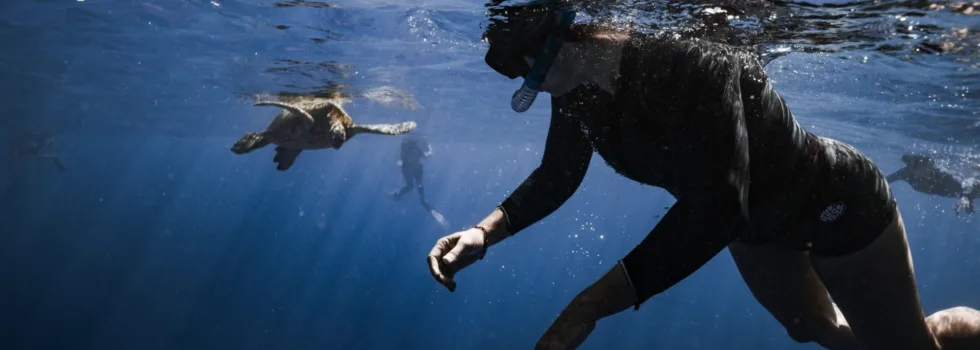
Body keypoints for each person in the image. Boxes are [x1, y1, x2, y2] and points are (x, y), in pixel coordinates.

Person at [424, 2, 980, 349]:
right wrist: (483, 232)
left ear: (563, 36)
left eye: (524, 68)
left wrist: (590, 304)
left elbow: (718, 204)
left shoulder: (692, 58)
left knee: (907, 348)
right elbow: (557, 174)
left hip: (834, 203)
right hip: (754, 230)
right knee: (812, 329)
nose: (530, 85)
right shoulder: (576, 93)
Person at [887, 154, 979, 215]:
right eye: (909, 164)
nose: (910, 167)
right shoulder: (905, 172)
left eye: (914, 164)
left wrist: (966, 198)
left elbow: (965, 184)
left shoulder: (940, 174)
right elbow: (883, 180)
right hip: (952, 191)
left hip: (968, 190)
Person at [391, 135, 448, 227]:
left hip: (411, 168)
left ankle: (398, 195)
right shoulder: (414, 149)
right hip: (415, 168)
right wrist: (429, 149)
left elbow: (401, 160)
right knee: (416, 186)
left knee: (411, 186)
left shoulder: (408, 149)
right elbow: (426, 155)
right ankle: (421, 201)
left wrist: (428, 149)